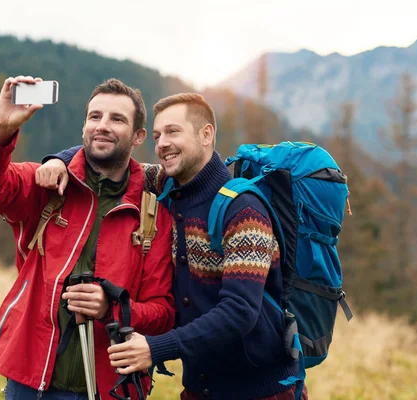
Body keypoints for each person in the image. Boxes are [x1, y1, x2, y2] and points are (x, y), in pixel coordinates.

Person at [37, 93, 308, 399]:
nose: (162, 143)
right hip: (198, 388)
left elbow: (240, 311)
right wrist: (58, 160)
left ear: (206, 135)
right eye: (157, 135)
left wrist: (156, 348)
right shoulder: (165, 183)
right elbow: (111, 156)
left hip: (261, 391)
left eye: (173, 132)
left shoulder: (243, 210)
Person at [0, 75, 175, 400]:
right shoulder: (48, 186)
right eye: (95, 116)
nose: (102, 126)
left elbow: (163, 312)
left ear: (138, 136)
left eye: (117, 119)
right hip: (31, 382)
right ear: (84, 127)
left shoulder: (151, 214)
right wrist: (1, 129)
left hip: (111, 388)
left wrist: (113, 308)